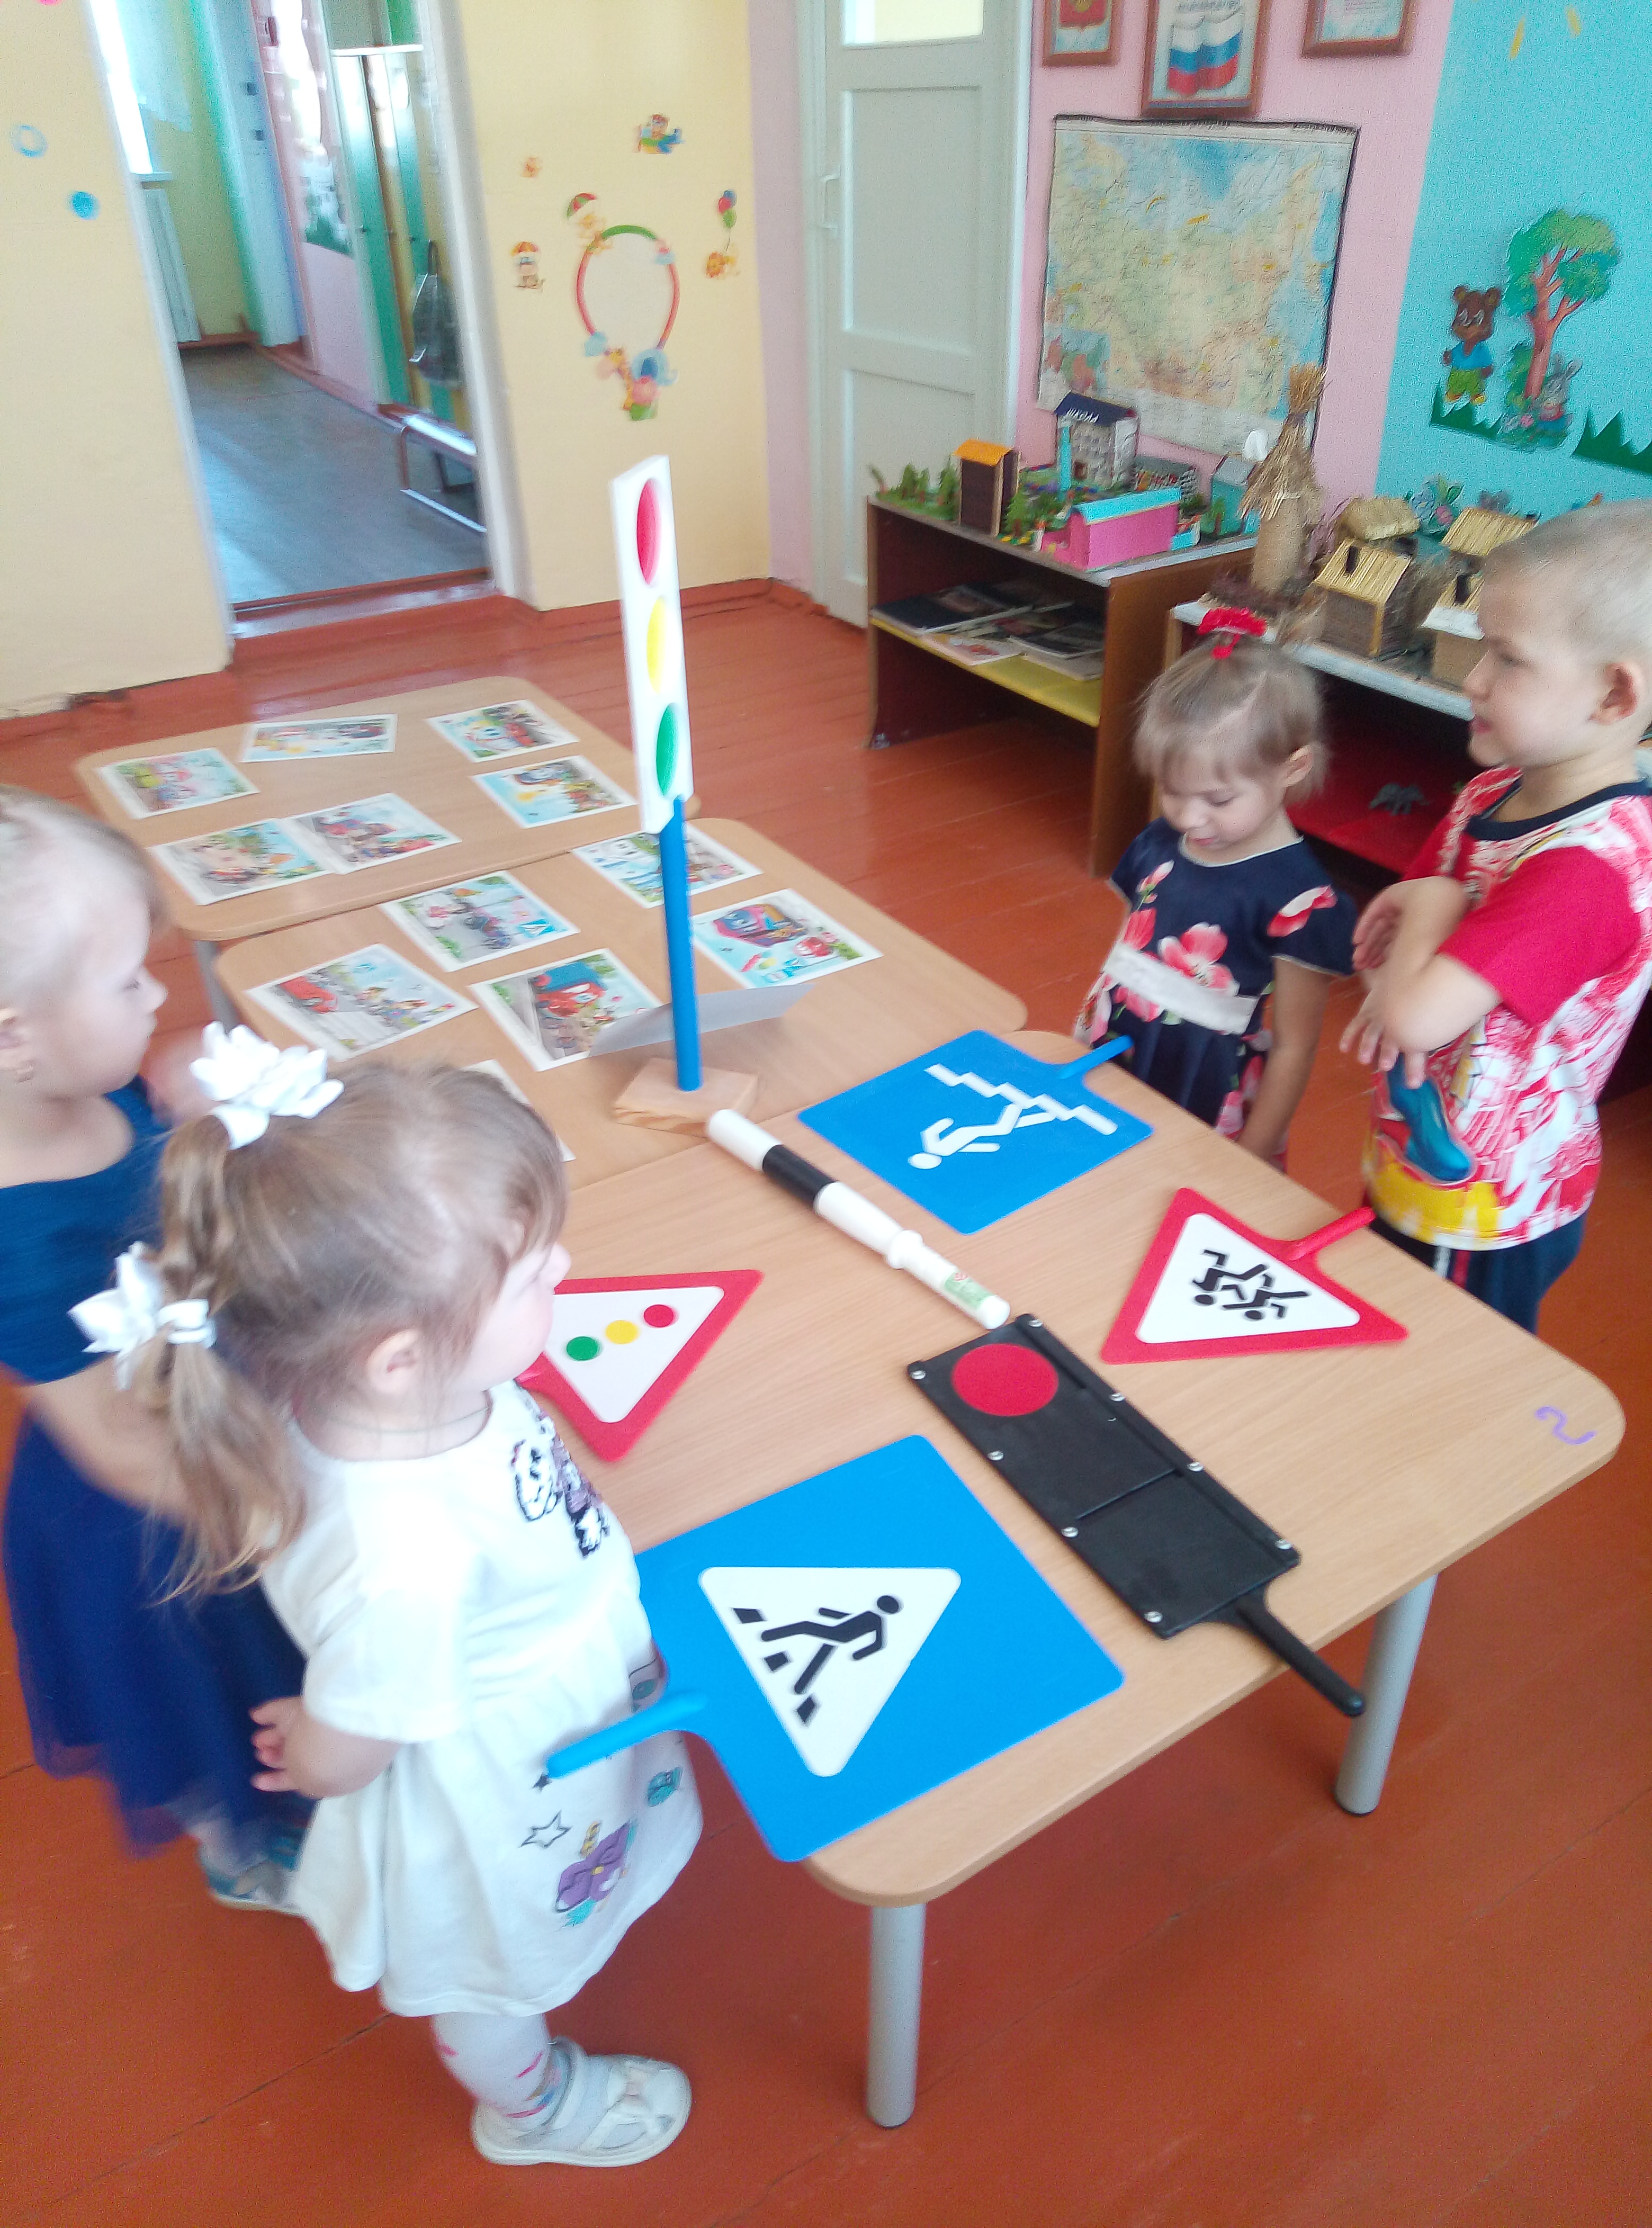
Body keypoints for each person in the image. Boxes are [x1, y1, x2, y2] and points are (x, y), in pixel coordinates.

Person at [101, 1059, 700, 2169]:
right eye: (533, 1273)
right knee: (488, 1963)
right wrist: (321, 1743)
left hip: (543, 1682)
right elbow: (350, 1744)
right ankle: (533, 2110)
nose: (565, 1267)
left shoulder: (386, 1397)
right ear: (400, 1357)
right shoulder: (403, 1558)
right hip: (501, 1771)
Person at [0, 789, 307, 1907]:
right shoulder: (17, 1232)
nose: (160, 995)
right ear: (13, 1036)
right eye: (130, 981)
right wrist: (288, 1517)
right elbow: (116, 1445)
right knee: (209, 1694)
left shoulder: (77, 1082)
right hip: (157, 1506)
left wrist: (173, 1101)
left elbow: (146, 1169)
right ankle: (243, 1850)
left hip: (208, 1400)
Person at [1343, 501, 1652, 1331]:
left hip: (1486, 1209)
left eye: (1508, 659)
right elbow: (1383, 955)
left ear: (1614, 693)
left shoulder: (1586, 872)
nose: (1474, 680)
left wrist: (1437, 904)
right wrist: (1410, 956)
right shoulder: (1490, 793)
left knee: (1446, 1372)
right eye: (1483, 647)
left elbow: (1412, 1009)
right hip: (1420, 1156)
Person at [1075, 613, 1357, 1163]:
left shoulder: (1301, 900)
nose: (1188, 818)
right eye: (1172, 790)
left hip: (1204, 1083)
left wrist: (1252, 1157)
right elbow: (1129, 959)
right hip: (1117, 1050)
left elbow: (1295, 1047)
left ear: (1293, 767)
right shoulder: (1160, 843)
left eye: (1219, 799)